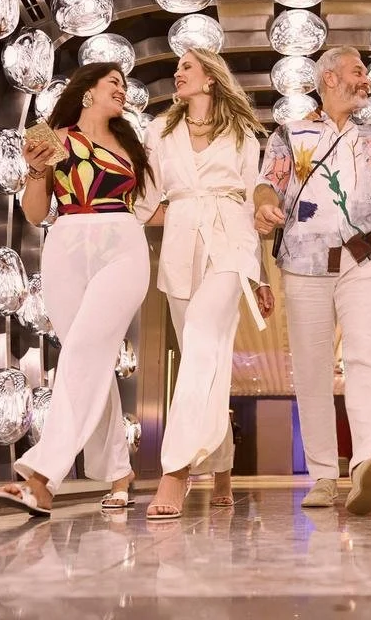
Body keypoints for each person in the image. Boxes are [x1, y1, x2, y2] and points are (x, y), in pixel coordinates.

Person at [0, 61, 153, 516]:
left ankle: (41, 478)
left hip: (122, 243)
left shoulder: (131, 145)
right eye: (113, 82)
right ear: (87, 91)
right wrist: (35, 172)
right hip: (65, 243)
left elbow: (153, 206)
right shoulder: (50, 138)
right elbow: (35, 212)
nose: (121, 90)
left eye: (123, 84)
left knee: (82, 354)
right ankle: (121, 473)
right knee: (91, 360)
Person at [253, 46, 371, 516]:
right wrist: (263, 205)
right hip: (303, 265)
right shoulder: (289, 133)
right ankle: (323, 476)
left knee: (366, 359)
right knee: (313, 370)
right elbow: (268, 183)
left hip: (365, 261)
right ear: (328, 79)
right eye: (357, 71)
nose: (366, 79)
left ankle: (367, 464)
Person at [135, 48, 275, 520]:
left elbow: (256, 203)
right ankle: (222, 468)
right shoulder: (160, 131)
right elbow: (145, 198)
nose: (177, 73)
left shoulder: (242, 134)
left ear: (210, 79)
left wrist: (262, 278)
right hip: (179, 248)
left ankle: (174, 473)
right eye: (177, 68)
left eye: (186, 67)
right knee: (205, 359)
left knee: (199, 345)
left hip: (231, 247)